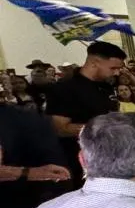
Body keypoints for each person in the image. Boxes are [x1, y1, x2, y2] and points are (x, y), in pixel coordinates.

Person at [45, 41, 126, 186]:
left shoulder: (106, 87)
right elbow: (60, 128)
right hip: (78, 161)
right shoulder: (65, 88)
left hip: (108, 157)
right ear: (95, 62)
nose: (117, 73)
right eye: (113, 68)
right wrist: (103, 129)